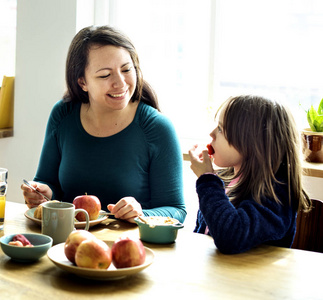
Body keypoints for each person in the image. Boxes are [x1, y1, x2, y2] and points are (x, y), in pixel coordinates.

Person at [21, 25, 186, 223]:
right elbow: (48, 184)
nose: (121, 83)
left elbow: (176, 210)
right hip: (66, 245)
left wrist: (141, 213)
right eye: (105, 75)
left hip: (132, 248)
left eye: (126, 69)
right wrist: (42, 192)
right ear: (82, 82)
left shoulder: (157, 128)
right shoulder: (63, 115)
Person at [188, 95, 311, 254]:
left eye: (220, 129)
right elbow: (203, 233)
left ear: (252, 143)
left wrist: (207, 180)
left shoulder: (275, 195)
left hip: (252, 277)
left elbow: (231, 237)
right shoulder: (223, 180)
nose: (211, 134)